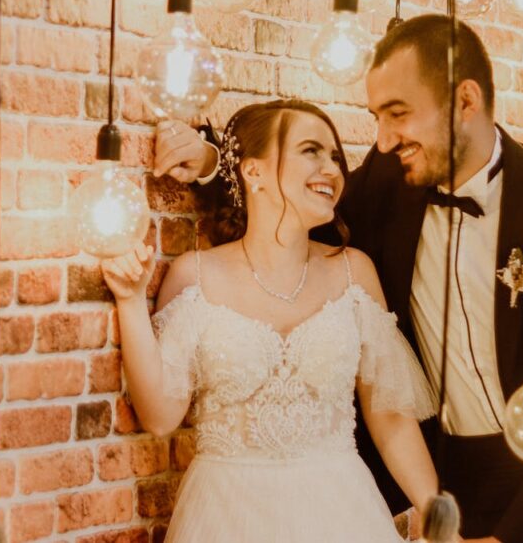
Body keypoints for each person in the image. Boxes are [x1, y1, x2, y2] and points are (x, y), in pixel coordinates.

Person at [156, 15, 523, 542]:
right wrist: (210, 160)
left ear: (465, 102)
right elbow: (290, 205)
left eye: (398, 114)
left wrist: (512, 538)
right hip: (458, 484)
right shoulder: (390, 183)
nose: (382, 141)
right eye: (377, 117)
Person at [102, 100, 440, 542]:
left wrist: (443, 522)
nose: (332, 169)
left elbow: (392, 419)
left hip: (341, 513)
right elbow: (161, 415)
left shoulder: (354, 272)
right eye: (311, 151)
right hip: (225, 514)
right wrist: (129, 301)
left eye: (334, 156)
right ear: (253, 171)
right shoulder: (196, 274)